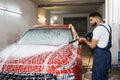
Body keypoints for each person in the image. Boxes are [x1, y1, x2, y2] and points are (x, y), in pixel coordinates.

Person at [79, 12, 112, 80]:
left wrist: (85, 40)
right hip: (107, 54)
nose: (90, 22)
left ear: (96, 18)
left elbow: (92, 46)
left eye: (91, 20)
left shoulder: (98, 29)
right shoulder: (107, 26)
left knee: (97, 76)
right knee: (104, 75)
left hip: (100, 56)